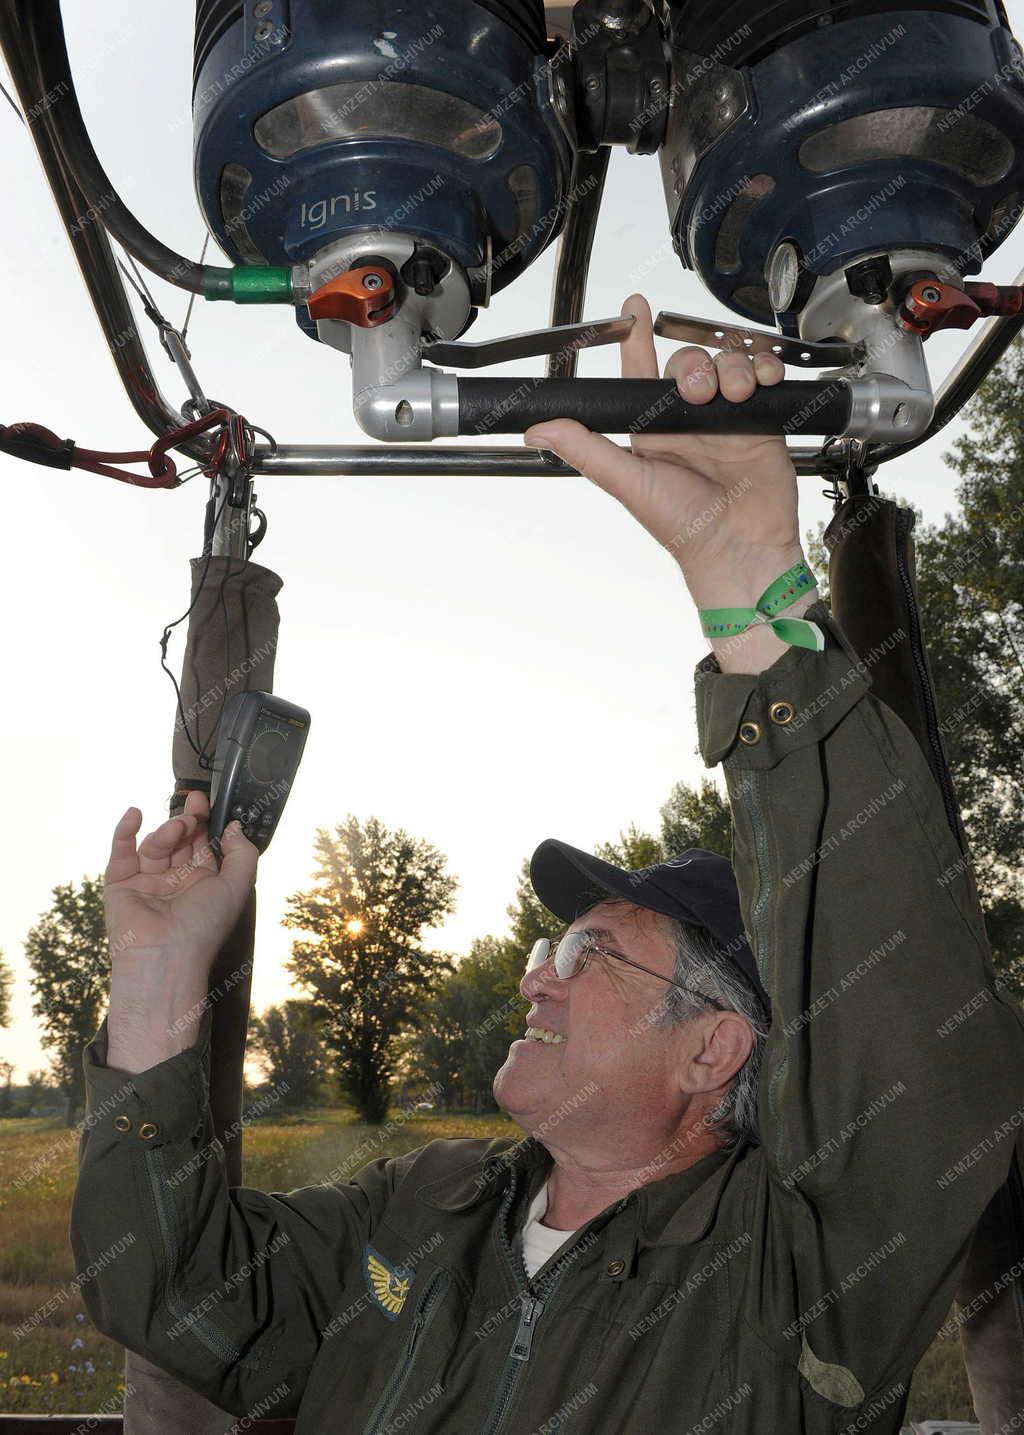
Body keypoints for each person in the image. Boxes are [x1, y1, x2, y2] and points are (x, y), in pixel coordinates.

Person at [71, 295, 1024, 1435]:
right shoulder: (418, 1208)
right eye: (550, 948)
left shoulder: (796, 1279)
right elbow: (168, 1291)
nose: (534, 976)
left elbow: (910, 1027)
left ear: (715, 1045)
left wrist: (749, 585)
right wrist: (159, 979)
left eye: (587, 952)